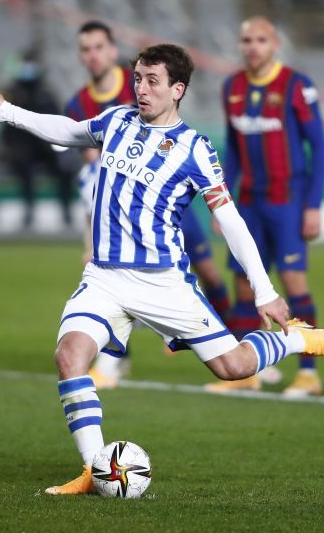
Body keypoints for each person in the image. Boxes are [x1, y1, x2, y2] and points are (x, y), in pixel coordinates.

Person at [0, 43, 324, 495]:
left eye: (152, 81)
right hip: (104, 277)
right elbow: (70, 130)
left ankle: (301, 338)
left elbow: (230, 221)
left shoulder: (195, 149)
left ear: (177, 90)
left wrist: (263, 291)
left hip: (163, 283)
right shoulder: (117, 121)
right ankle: (94, 470)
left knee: (232, 366)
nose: (141, 88)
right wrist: (8, 112)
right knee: (69, 357)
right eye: (138, 78)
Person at [70, 21, 231, 389]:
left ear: (111, 50)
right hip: (120, 213)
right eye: (85, 49)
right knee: (117, 289)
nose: (92, 55)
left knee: (208, 274)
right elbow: (90, 179)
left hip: (167, 210)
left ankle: (223, 337)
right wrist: (88, 237)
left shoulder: (148, 97)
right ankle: (115, 361)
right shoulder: (79, 103)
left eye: (98, 47)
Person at [207, 16, 324, 397]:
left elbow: (319, 148)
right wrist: (220, 205)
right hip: (248, 204)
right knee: (244, 287)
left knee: (294, 283)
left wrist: (312, 205)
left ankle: (308, 373)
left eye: (260, 40)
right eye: (246, 40)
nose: (252, 47)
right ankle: (248, 372)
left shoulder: (296, 85)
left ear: (275, 43)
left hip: (287, 202)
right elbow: (233, 150)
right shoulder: (233, 87)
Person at [0, 50, 72, 229]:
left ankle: (66, 212)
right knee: (24, 168)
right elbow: (4, 125)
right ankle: (28, 211)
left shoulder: (45, 92)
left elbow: (57, 119)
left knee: (65, 169)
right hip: (21, 147)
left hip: (44, 146)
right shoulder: (12, 93)